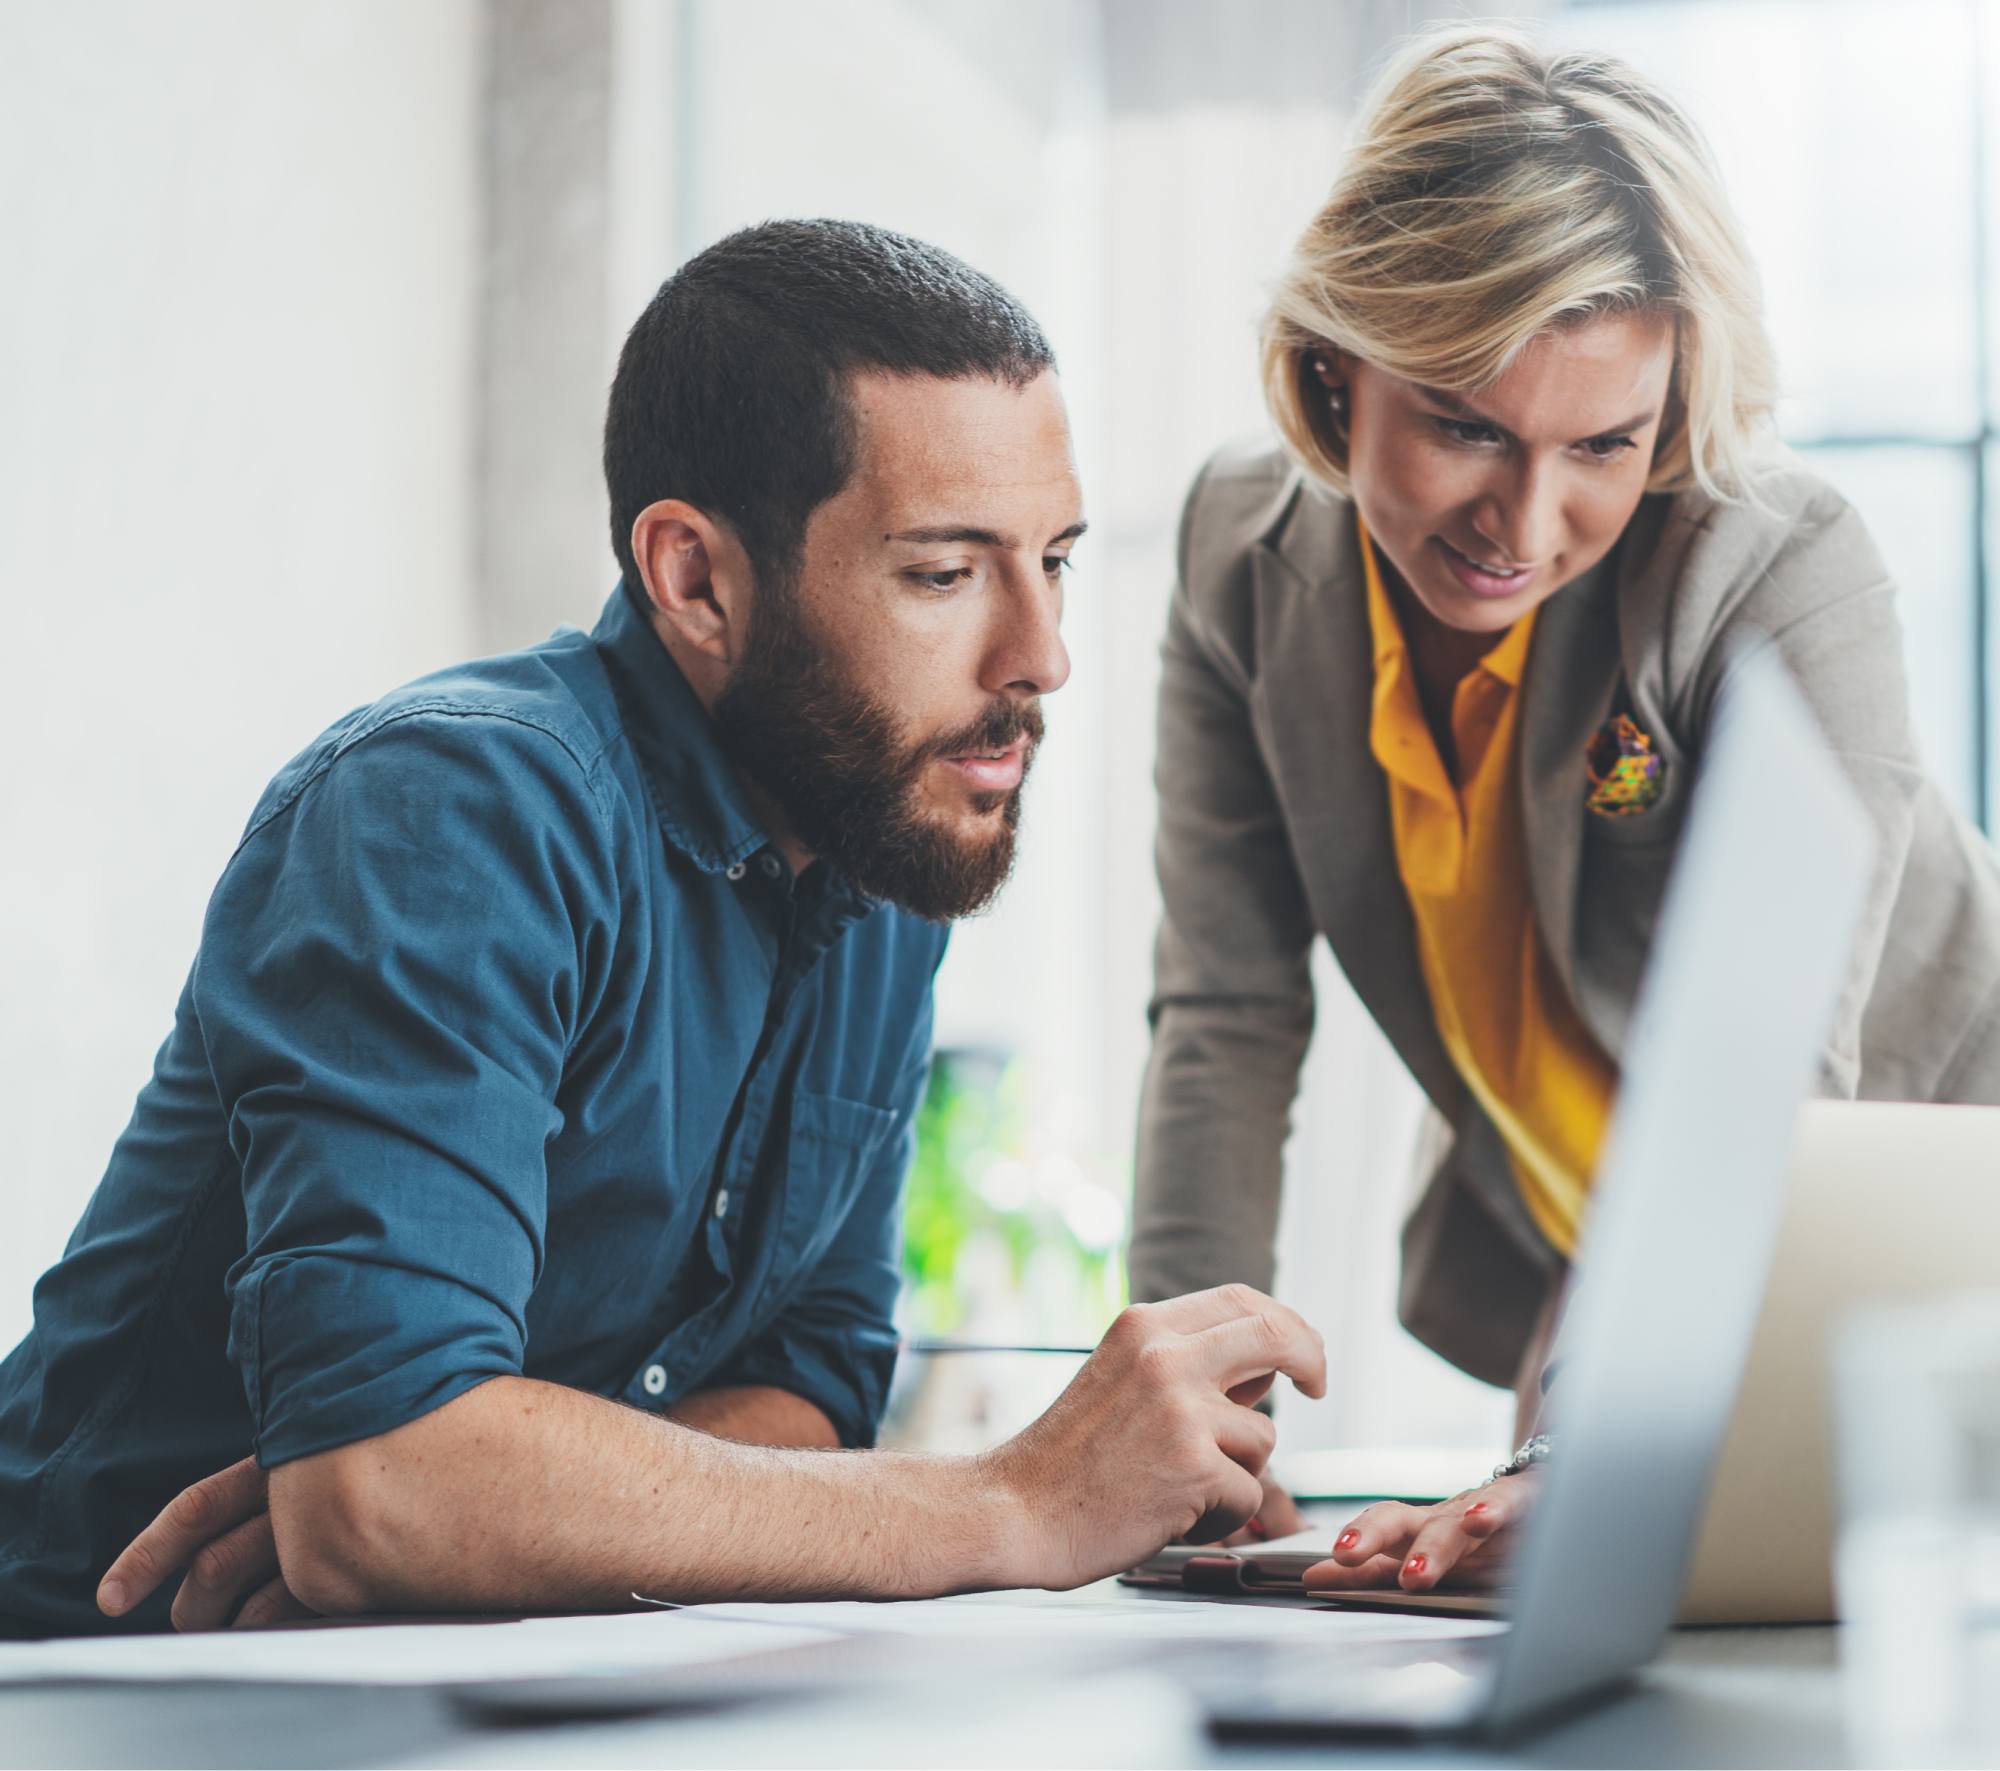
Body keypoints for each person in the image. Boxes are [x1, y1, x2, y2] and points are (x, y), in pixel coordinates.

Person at [0, 219, 1325, 1638]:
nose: (1041, 655)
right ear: (697, 580)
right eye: (945, 574)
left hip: (467, 1691)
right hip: (101, 1679)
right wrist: (1015, 1500)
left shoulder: (878, 847)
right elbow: (386, 1493)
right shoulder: (451, 810)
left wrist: (490, 1488)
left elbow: (815, 1382)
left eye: (1051, 559)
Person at [1127, 23, 2000, 1597]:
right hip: (1605, 1268)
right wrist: (1185, 1435)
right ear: (1338, 363)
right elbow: (1225, 1020)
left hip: (1913, 1239)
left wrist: (1577, 1444)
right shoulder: (1234, 560)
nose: (1526, 525)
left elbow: (1759, 1086)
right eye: (1467, 423)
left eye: (1604, 443)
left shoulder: (1779, 571)